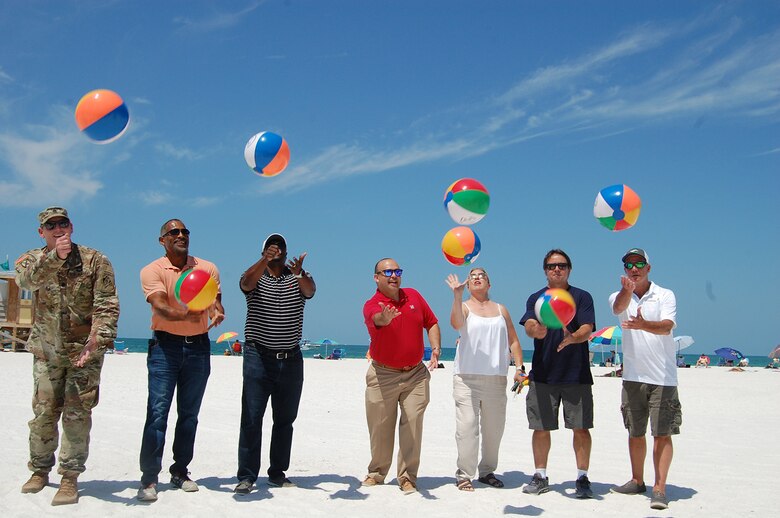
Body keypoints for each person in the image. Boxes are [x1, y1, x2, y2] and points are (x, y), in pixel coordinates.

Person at [16, 207, 119, 506]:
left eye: (63, 223)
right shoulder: (32, 259)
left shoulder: (96, 260)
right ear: (42, 232)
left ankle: (69, 477)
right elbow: (25, 283)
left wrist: (96, 340)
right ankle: (39, 470)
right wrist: (54, 259)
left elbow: (107, 305)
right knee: (44, 414)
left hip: (83, 354)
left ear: (71, 226)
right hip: (46, 351)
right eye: (51, 226)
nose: (58, 229)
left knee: (77, 416)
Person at [137, 219, 225, 502]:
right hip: (165, 347)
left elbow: (215, 300)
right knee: (158, 413)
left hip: (198, 347)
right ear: (162, 239)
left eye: (185, 231)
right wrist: (184, 314)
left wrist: (217, 312)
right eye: (174, 232)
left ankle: (180, 471)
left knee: (189, 415)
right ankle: (149, 478)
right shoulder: (152, 270)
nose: (181, 235)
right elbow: (160, 305)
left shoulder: (206, 268)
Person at [234, 234, 315, 494]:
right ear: (263, 251)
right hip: (259, 357)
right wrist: (263, 260)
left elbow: (310, 290)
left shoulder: (297, 276)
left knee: (285, 419)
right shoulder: (255, 275)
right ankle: (247, 476)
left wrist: (300, 273)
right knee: (252, 417)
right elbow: (246, 284)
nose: (276, 249)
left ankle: (277, 473)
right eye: (271, 246)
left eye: (280, 246)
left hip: (290, 358)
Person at [519, 249, 595, 499]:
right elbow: (529, 324)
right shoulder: (536, 298)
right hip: (543, 375)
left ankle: (582, 477)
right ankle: (540, 475)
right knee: (541, 428)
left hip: (576, 374)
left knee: (581, 429)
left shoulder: (582, 297)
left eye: (561, 265)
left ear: (569, 269)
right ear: (545, 271)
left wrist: (573, 338)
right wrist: (536, 331)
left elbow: (587, 328)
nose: (557, 269)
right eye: (552, 266)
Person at [609, 248, 680, 511]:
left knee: (662, 433)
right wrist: (627, 292)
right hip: (633, 377)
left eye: (639, 264)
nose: (634, 268)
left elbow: (667, 326)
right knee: (635, 432)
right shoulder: (619, 297)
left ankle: (659, 488)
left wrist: (643, 325)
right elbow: (617, 308)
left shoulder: (665, 294)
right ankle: (637, 480)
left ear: (649, 267)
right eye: (629, 264)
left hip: (663, 377)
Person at [362, 258, 441, 494]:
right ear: (376, 277)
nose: (393, 275)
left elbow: (432, 322)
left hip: (415, 373)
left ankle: (407, 477)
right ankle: (377, 473)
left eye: (397, 271)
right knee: (380, 426)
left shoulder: (414, 296)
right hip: (382, 374)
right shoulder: (372, 304)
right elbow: (377, 318)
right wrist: (384, 319)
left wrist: (435, 349)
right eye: (387, 272)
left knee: (413, 424)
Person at [446, 268, 523, 491]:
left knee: (494, 431)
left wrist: (520, 367)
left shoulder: (501, 309)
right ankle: (464, 475)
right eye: (472, 276)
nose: (477, 277)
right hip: (467, 379)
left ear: (489, 283)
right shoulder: (464, 306)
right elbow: (456, 324)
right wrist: (457, 295)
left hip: (496, 379)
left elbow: (514, 341)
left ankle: (487, 471)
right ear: (468, 285)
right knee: (467, 429)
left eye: (482, 275)